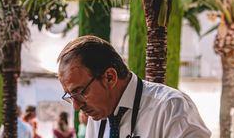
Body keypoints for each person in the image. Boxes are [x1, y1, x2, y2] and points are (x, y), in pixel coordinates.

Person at [57, 35, 211, 138]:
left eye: (79, 92)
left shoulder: (171, 108)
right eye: (70, 96)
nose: (76, 106)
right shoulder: (98, 116)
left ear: (110, 77)